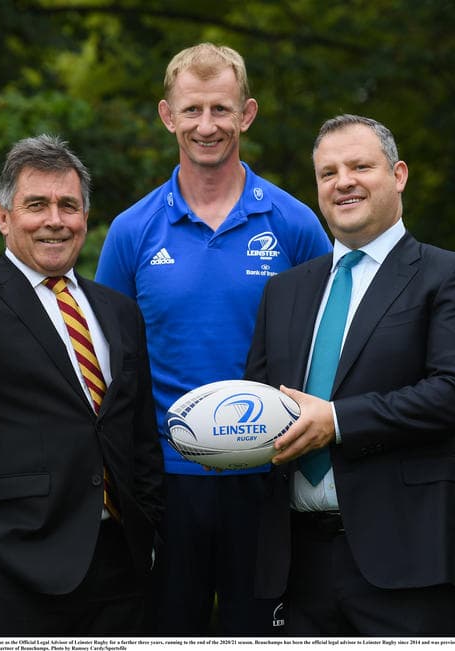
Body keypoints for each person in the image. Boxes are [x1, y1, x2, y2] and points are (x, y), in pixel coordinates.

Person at [95, 43, 331, 634]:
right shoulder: (131, 231)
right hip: (166, 487)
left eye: (221, 110)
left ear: (246, 114)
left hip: (270, 479)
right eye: (192, 110)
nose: (207, 126)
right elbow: (109, 368)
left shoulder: (295, 223)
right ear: (167, 115)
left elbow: (329, 344)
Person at [244, 114, 455, 635]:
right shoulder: (284, 292)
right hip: (297, 564)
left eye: (360, 166)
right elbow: (263, 403)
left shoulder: (450, 275)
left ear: (399, 174)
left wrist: (336, 420)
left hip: (410, 560)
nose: (344, 182)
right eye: (328, 172)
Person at [0, 134, 165, 635]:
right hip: (9, 576)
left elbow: (138, 434)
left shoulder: (118, 312)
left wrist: (147, 531)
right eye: (36, 205)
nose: (54, 220)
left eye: (68, 205)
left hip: (119, 574)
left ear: (85, 218)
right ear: (4, 217)